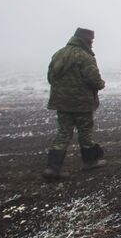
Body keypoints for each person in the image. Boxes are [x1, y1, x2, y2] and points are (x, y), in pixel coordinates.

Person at [42, 27, 107, 180]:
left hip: (62, 103)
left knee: (63, 133)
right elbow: (94, 80)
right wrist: (101, 84)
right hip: (81, 103)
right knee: (85, 132)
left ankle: (52, 168)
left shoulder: (59, 54)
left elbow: (51, 77)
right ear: (86, 40)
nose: (92, 43)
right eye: (91, 40)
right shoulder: (85, 56)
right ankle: (90, 161)